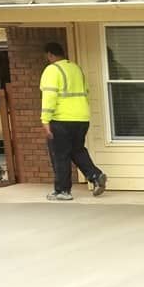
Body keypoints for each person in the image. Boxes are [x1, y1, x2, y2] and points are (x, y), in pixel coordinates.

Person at [40, 42, 106, 200]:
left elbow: (49, 96)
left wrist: (45, 121)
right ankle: (96, 175)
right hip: (81, 118)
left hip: (61, 119)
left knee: (60, 155)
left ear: (50, 55)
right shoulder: (76, 68)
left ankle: (63, 191)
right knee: (77, 150)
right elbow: (86, 92)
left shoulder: (52, 70)